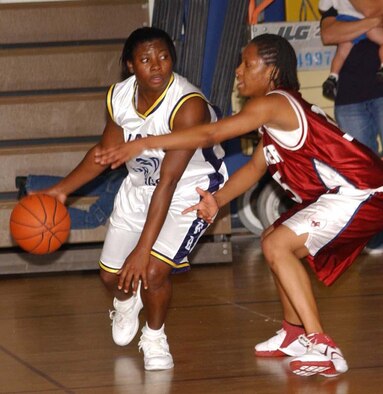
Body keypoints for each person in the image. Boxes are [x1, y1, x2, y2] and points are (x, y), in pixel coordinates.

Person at [94, 33, 383, 378]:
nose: (238, 70)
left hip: (362, 191)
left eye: (248, 63)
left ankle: (321, 343)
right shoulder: (277, 110)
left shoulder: (271, 104)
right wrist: (217, 200)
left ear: (272, 70)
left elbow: (209, 135)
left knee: (278, 245)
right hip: (344, 192)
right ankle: (293, 333)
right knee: (273, 236)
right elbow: (255, 168)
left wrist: (143, 144)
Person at [36, 27, 228, 370]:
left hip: (190, 190)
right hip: (139, 186)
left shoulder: (188, 105)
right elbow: (106, 152)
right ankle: (126, 304)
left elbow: (169, 182)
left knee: (152, 272)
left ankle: (154, 337)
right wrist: (61, 190)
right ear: (129, 65)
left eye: (164, 57)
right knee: (112, 278)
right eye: (146, 59)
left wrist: (143, 250)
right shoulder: (119, 96)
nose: (157, 66)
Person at [320, 1, 383, 254]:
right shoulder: (334, 4)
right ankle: (375, 235)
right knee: (362, 174)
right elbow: (329, 34)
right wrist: (373, 23)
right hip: (349, 97)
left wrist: (353, 25)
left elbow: (361, 16)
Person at [15, 167, 127, 229]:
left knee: (89, 185)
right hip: (129, 183)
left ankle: (30, 184)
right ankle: (39, 213)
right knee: (94, 219)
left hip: (125, 175)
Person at [319, 0, 383, 100]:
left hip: (345, 19)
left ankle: (332, 77)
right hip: (348, 93)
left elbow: (322, 7)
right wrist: (372, 21)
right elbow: (327, 36)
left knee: (341, 52)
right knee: (342, 52)